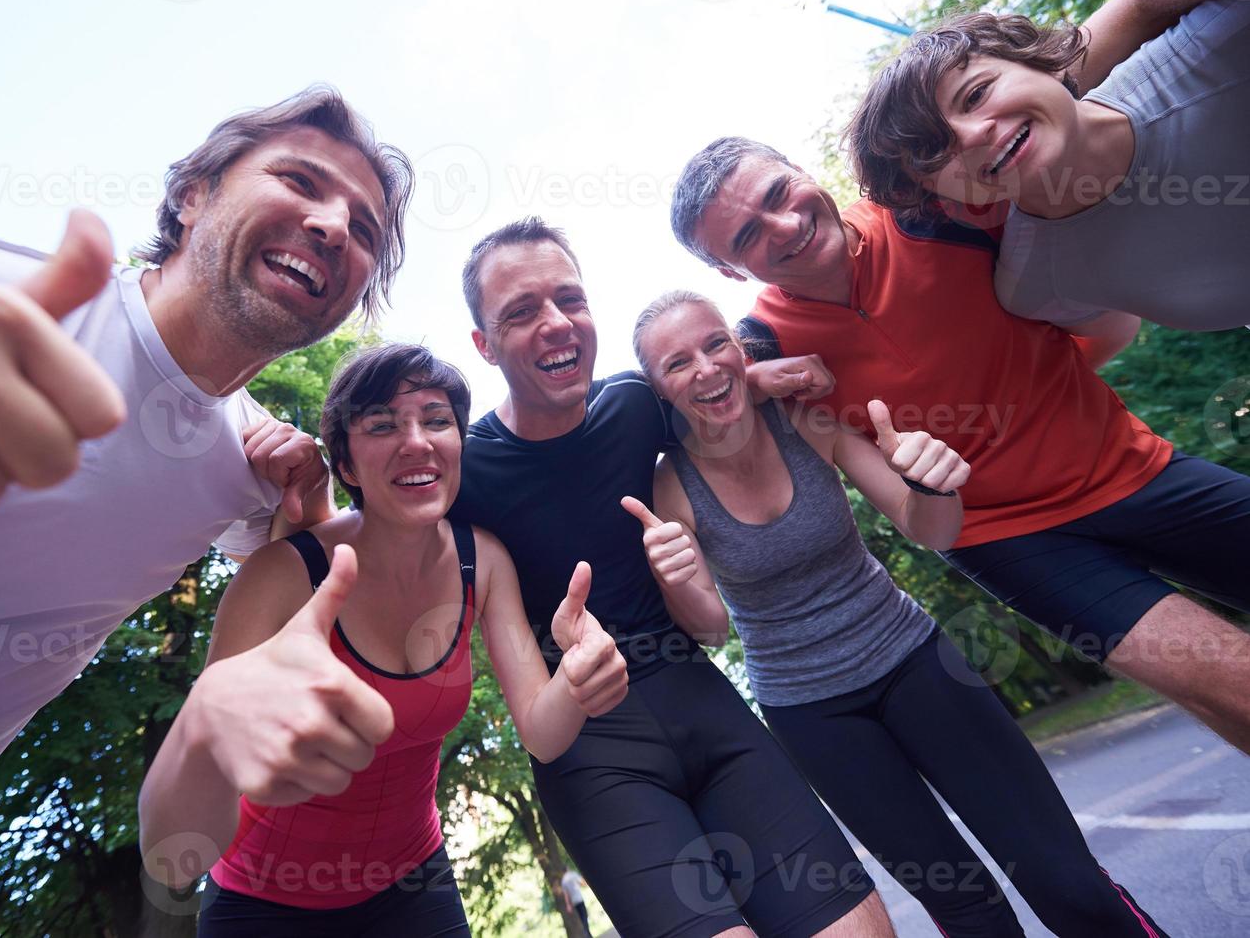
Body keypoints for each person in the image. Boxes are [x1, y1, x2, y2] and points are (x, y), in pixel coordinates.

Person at [0, 87, 413, 933]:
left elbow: (278, 564)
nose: (334, 224)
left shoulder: (249, 463)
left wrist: (310, 499)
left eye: (364, 228)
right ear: (193, 196)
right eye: (298, 181)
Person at [629, 289, 1168, 937]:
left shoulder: (806, 421)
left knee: (1065, 881)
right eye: (676, 363)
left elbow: (927, 529)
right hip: (812, 713)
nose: (705, 368)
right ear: (658, 392)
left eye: (714, 344)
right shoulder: (670, 484)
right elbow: (710, 629)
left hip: (914, 661)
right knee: (969, 911)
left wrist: (930, 485)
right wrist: (678, 579)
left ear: (740, 350)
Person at [449, 217, 896, 938]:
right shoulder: (460, 473)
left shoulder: (632, 404)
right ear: (483, 344)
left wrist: (761, 375)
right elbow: (372, 528)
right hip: (590, 746)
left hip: (700, 699)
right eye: (521, 311)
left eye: (569, 299)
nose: (556, 324)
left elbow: (709, 387)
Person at [139, 343, 628, 936]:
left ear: (458, 445)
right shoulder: (281, 574)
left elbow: (543, 735)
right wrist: (203, 723)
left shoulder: (484, 560)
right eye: (382, 424)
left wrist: (577, 681)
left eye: (437, 419)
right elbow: (173, 853)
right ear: (345, 465)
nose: (417, 440)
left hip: (415, 886)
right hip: (263, 903)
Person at [847, 0, 1250, 331]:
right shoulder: (1036, 286)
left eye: (975, 95)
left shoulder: (1224, 37)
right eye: (935, 153)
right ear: (941, 195)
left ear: (1035, 60)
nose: (971, 136)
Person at [562, 867, 593, 938]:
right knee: (585, 916)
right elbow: (583, 883)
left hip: (574, 902)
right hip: (579, 899)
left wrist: (568, 905)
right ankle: (586, 933)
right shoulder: (573, 875)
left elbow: (566, 895)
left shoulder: (563, 881)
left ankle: (588, 934)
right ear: (567, 869)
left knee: (582, 918)